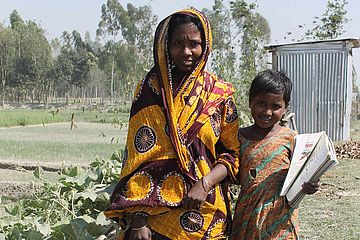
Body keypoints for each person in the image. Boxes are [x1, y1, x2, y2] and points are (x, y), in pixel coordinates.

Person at [104, 8, 240, 240]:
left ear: (205, 45)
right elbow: (137, 159)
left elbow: (232, 154)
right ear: (166, 45)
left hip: (203, 213)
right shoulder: (149, 90)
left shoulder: (219, 94)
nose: (186, 51)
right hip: (152, 220)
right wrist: (138, 220)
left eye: (194, 44)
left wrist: (204, 184)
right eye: (178, 43)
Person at [229, 70, 319, 240]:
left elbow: (303, 173)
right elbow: (231, 172)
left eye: (275, 106)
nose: (268, 112)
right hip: (247, 217)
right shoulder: (239, 137)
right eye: (261, 103)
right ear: (250, 101)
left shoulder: (291, 138)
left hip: (280, 219)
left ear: (286, 108)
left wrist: (311, 185)